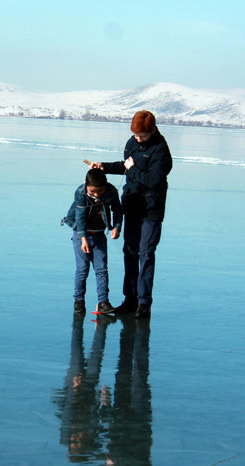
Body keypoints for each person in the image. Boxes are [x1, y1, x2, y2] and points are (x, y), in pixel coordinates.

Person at [90, 110, 172, 318]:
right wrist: (104, 167)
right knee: (130, 252)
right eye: (136, 135)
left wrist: (133, 169)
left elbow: (153, 179)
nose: (137, 139)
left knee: (146, 254)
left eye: (142, 136)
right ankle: (130, 299)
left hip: (151, 210)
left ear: (152, 130)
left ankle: (144, 303)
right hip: (132, 206)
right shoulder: (131, 143)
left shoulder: (161, 150)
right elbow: (125, 165)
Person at [62, 168, 123, 314]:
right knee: (82, 270)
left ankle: (103, 302)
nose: (96, 195)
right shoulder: (80, 192)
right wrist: (83, 239)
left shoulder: (111, 191)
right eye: (92, 191)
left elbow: (118, 210)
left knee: (101, 269)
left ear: (106, 185)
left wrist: (116, 227)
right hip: (80, 234)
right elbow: (80, 216)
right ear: (85, 184)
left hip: (99, 235)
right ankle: (79, 301)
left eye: (100, 192)